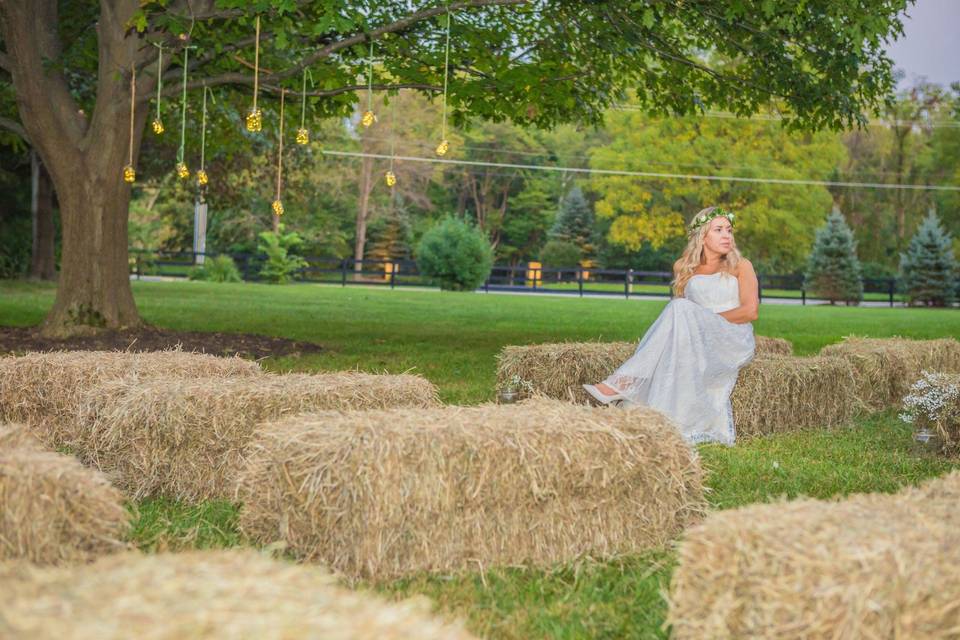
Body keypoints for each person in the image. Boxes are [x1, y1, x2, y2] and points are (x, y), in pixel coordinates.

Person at [582, 206, 759, 445]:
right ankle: (654, 412)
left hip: (732, 337)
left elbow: (750, 311)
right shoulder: (683, 267)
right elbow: (676, 318)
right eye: (718, 230)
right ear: (702, 235)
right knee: (678, 309)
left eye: (729, 230)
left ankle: (625, 382)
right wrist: (694, 323)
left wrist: (702, 320)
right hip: (693, 337)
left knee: (681, 308)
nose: (727, 235)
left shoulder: (741, 265)